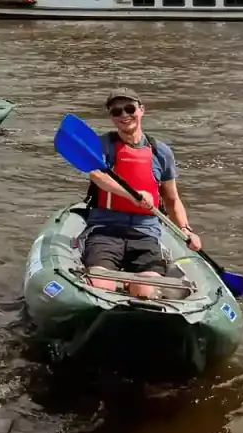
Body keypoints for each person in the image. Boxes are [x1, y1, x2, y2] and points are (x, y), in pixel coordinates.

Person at [80, 90, 200, 291]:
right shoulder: (102, 146)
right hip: (105, 230)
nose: (124, 115)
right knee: (101, 284)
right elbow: (97, 176)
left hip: (145, 233)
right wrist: (132, 195)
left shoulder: (160, 152)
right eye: (116, 111)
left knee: (145, 289)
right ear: (111, 117)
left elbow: (172, 199)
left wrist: (186, 230)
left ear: (141, 110)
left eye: (129, 109)